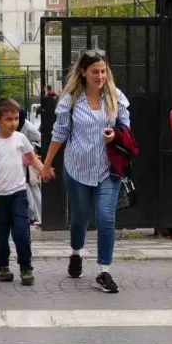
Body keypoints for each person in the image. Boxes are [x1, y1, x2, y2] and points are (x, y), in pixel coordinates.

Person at [41, 49, 131, 293]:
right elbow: (59, 134)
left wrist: (116, 134)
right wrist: (47, 163)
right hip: (77, 169)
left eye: (103, 71)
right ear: (83, 72)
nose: (100, 76)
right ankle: (76, 252)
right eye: (95, 71)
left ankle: (104, 271)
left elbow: (126, 126)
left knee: (106, 217)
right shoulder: (70, 100)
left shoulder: (115, 97)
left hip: (108, 169)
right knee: (80, 217)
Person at [0, 97, 44, 285]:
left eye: (16, 119)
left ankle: (26, 267)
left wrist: (44, 170)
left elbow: (32, 158)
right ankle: (2, 266)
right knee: (1, 235)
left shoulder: (21, 138)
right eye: (9, 119)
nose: (13, 123)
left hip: (18, 194)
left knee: (22, 233)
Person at [19, 108, 43, 226]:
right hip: (21, 161)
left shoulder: (29, 128)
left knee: (33, 187)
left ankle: (40, 215)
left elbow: (40, 140)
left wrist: (31, 149)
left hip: (30, 162)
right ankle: (31, 214)